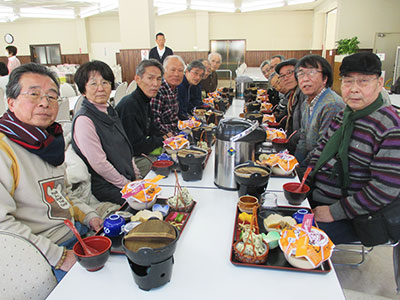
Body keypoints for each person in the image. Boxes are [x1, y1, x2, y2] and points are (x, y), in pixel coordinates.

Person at [0, 63, 103, 282]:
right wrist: (60, 256)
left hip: (75, 234)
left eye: (51, 96)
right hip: (39, 255)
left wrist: (91, 216)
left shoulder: (49, 142)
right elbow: (3, 227)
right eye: (34, 94)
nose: (44, 103)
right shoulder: (4, 150)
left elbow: (62, 197)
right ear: (11, 102)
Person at [309, 52, 400, 244]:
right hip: (318, 196)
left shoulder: (390, 126)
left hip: (355, 217)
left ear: (380, 83)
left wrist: (334, 212)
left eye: (364, 81)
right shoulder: (346, 114)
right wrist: (303, 178)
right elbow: (321, 149)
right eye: (348, 82)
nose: (354, 89)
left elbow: (383, 189)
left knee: (291, 235)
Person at [72, 60, 139, 205]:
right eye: (93, 84)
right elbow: (99, 164)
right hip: (107, 186)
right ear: (83, 89)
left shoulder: (110, 111)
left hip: (125, 178)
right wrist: (127, 186)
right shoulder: (84, 120)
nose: (101, 88)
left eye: (105, 82)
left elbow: (125, 146)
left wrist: (137, 176)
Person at [294, 55, 344, 170]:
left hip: (325, 170)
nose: (305, 79)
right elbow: (303, 138)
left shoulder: (332, 105)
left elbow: (323, 147)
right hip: (310, 164)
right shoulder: (307, 102)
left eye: (311, 72)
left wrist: (301, 169)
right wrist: (293, 165)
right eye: (300, 74)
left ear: (325, 78)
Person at [116, 59, 164, 176]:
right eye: (150, 78)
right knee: (162, 168)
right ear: (137, 79)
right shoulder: (129, 105)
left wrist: (163, 138)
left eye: (158, 79)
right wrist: (161, 140)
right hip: (129, 159)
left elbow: (153, 129)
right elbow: (136, 146)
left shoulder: (144, 100)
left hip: (141, 151)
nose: (155, 84)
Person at [274, 58, 307, 153]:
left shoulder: (304, 94)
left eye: (289, 73)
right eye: (282, 76)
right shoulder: (292, 94)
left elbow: (305, 131)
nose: (286, 78)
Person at [151, 55, 185, 135]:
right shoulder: (158, 90)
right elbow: (155, 123)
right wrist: (172, 135)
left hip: (175, 131)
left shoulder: (174, 88)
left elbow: (173, 117)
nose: (177, 74)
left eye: (180, 70)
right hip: (163, 138)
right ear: (163, 71)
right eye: (172, 70)